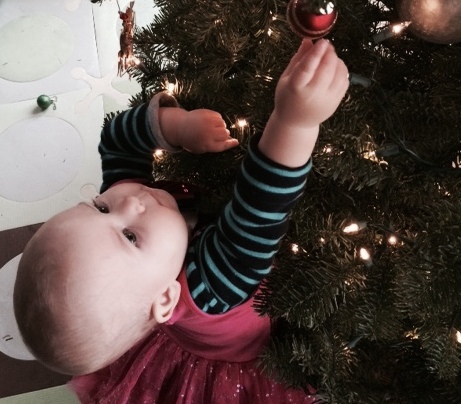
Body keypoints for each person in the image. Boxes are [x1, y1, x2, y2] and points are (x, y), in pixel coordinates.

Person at [14, 39, 348, 403]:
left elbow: (116, 141)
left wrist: (177, 126)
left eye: (98, 208)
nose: (131, 201)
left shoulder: (125, 203)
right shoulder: (208, 287)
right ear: (168, 297)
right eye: (129, 237)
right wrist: (294, 120)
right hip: (250, 357)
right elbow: (263, 204)